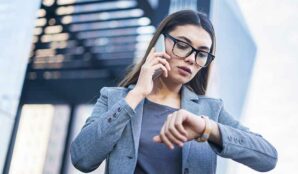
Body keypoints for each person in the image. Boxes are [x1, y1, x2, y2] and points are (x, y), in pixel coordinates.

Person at [70, 10, 277, 174]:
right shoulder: (114, 98)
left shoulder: (211, 109)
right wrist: (137, 94)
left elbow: (268, 157)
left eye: (202, 53)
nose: (191, 58)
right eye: (182, 45)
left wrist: (207, 129)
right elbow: (82, 159)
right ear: (160, 43)